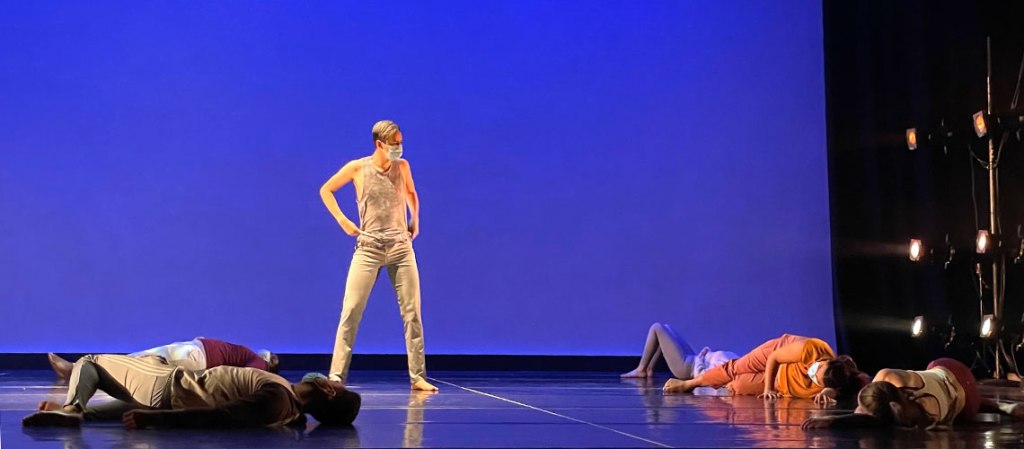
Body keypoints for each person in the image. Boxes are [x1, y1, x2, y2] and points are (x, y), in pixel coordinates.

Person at [320, 120, 436, 391]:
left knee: (412, 313)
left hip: (400, 248)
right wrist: (342, 221)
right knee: (350, 311)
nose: (399, 148)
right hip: (369, 248)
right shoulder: (358, 168)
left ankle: (418, 376)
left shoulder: (403, 167)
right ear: (380, 144)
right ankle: (336, 376)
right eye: (395, 143)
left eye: (400, 142)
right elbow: (326, 190)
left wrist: (415, 218)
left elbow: (411, 192)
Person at [22, 354, 360, 428]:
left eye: (336, 384)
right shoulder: (288, 404)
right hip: (165, 398)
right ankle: (72, 412)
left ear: (328, 393)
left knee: (90, 362)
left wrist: (158, 420)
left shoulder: (277, 397)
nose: (331, 379)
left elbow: (223, 416)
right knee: (105, 413)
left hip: (169, 388)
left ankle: (71, 408)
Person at [801, 357, 1024, 430]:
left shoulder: (919, 421)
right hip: (952, 367)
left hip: (969, 405)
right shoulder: (888, 376)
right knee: (932, 370)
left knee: (963, 404)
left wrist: (833, 420)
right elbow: (867, 406)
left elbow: (864, 415)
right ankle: (1003, 405)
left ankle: (1002, 407)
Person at [662, 333, 865, 401]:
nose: (813, 373)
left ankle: (715, 382)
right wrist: (767, 388)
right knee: (737, 367)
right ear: (828, 360)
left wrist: (828, 392)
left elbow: (835, 390)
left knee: (739, 387)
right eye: (817, 368)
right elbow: (775, 358)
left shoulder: (835, 383)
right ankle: (689, 383)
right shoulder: (811, 348)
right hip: (775, 355)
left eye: (816, 379)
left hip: (783, 382)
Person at [46, 337, 278, 378]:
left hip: (195, 357)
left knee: (136, 362)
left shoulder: (260, 363)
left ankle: (78, 369)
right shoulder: (248, 353)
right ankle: (80, 368)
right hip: (192, 352)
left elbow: (248, 375)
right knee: (137, 359)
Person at [621, 322, 738, 380]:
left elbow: (704, 376)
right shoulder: (737, 359)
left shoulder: (731, 368)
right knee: (667, 328)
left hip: (687, 368)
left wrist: (701, 357)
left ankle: (641, 369)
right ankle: (649, 369)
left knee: (657, 327)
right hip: (694, 358)